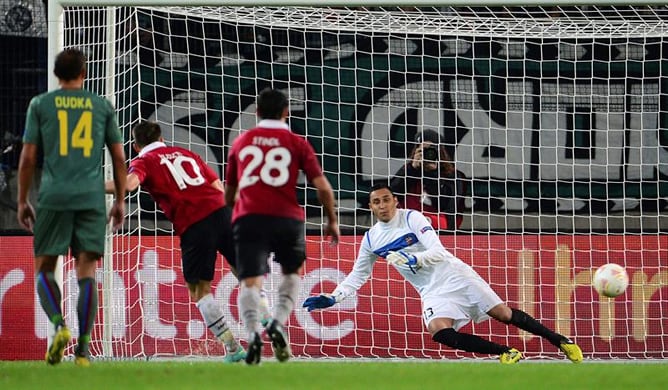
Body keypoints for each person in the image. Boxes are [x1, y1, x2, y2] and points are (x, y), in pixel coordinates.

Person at [303, 183, 583, 364]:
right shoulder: (371, 239)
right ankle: (505, 352)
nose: (382, 205)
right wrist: (334, 297)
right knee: (439, 332)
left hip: (454, 274)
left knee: (503, 314)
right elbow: (357, 275)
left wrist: (411, 257)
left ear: (395, 201)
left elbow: (438, 250)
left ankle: (560, 340)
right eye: (376, 202)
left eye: (386, 200)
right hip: (431, 290)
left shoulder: (412, 218)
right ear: (371, 207)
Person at [104, 120, 266, 363]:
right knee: (243, 270)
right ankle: (265, 315)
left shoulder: (143, 161)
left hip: (195, 223)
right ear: (161, 138)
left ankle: (233, 349)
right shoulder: (187, 153)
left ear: (136, 146)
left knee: (199, 291)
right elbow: (216, 185)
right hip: (222, 211)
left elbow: (128, 185)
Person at [17, 48, 127, 367]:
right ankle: (83, 351)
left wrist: (23, 200)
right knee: (87, 271)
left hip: (55, 196)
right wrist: (119, 200)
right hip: (91, 197)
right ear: (84, 72)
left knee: (45, 267)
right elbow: (119, 158)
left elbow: (26, 160)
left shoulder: (40, 104)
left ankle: (60, 326)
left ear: (56, 74)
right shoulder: (101, 106)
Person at [225, 88, 340, 365]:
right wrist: (332, 220)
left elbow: (230, 191)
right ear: (287, 111)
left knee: (249, 283)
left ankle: (253, 333)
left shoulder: (242, 142)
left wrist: (234, 216)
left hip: (249, 217)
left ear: (257, 112)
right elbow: (322, 186)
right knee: (293, 274)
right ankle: (277, 321)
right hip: (287, 218)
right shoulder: (296, 142)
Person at [390, 129, 466, 231]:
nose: (428, 154)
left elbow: (449, 207)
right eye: (423, 150)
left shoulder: (455, 176)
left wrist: (432, 174)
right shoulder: (408, 170)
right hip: (407, 227)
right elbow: (392, 197)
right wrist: (412, 170)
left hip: (439, 229)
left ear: (440, 152)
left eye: (431, 150)